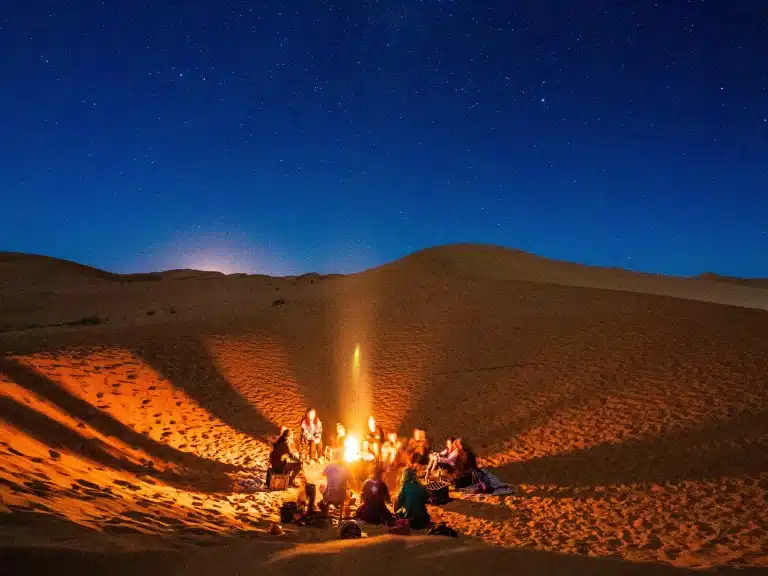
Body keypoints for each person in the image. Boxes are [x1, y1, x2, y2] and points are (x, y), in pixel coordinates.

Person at [319, 450, 351, 517]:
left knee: (321, 486)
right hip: (341, 497)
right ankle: (342, 513)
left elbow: (322, 474)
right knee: (348, 489)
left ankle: (326, 504)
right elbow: (351, 480)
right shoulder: (345, 467)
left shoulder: (330, 465)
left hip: (330, 496)